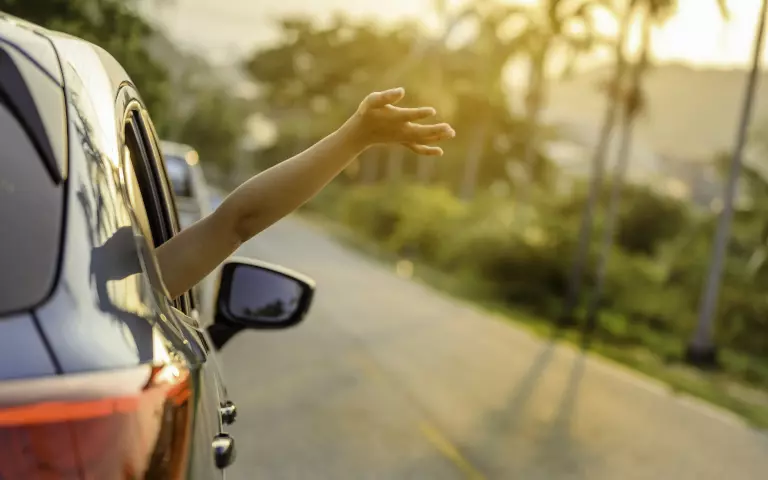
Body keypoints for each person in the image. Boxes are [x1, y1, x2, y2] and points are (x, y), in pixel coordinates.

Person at [155, 87, 455, 298]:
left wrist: (355, 138)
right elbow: (236, 222)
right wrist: (355, 138)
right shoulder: (134, 286)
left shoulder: (127, 282)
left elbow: (237, 220)